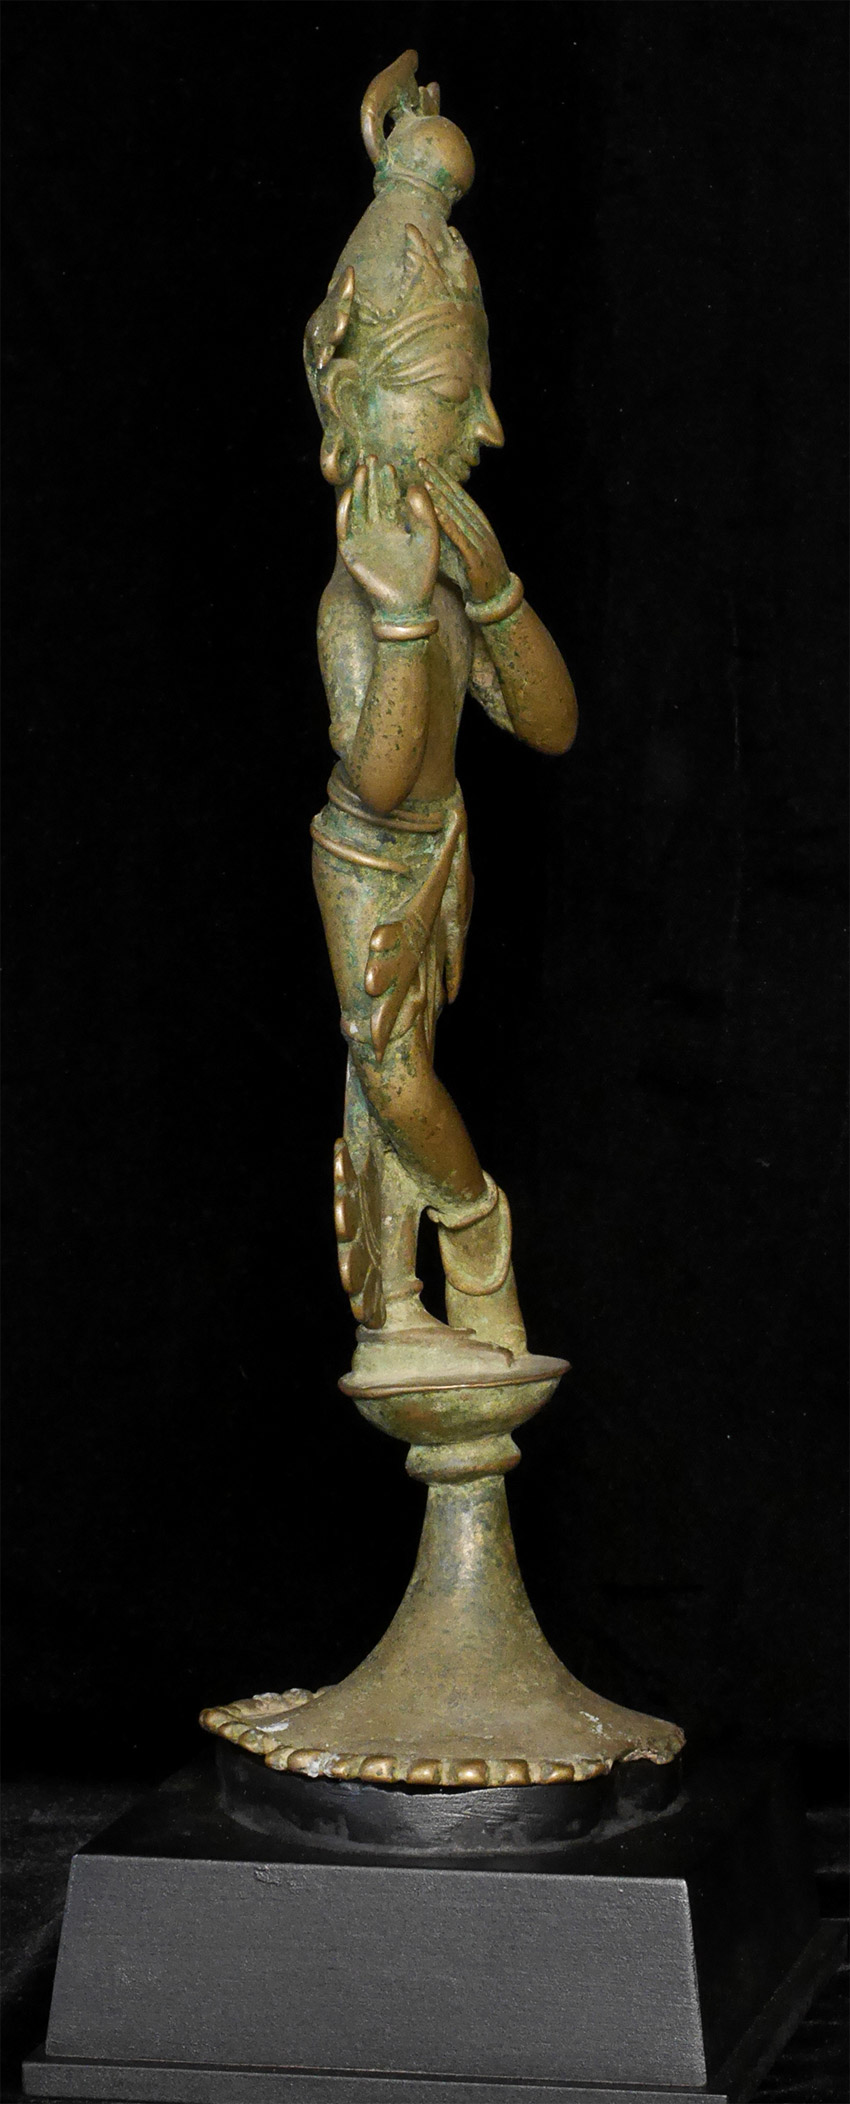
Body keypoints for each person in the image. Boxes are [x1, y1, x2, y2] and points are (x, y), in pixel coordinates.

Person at [305, 52, 578, 1380]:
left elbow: (551, 727)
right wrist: (406, 619)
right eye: (441, 402)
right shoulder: (355, 606)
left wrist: (495, 589)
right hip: (369, 856)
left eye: (471, 399)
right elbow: (376, 775)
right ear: (358, 412)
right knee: (388, 1067)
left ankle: (414, 1297)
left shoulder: (448, 578)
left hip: (435, 848)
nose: (476, 432)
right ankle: (470, 1238)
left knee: (391, 1077)